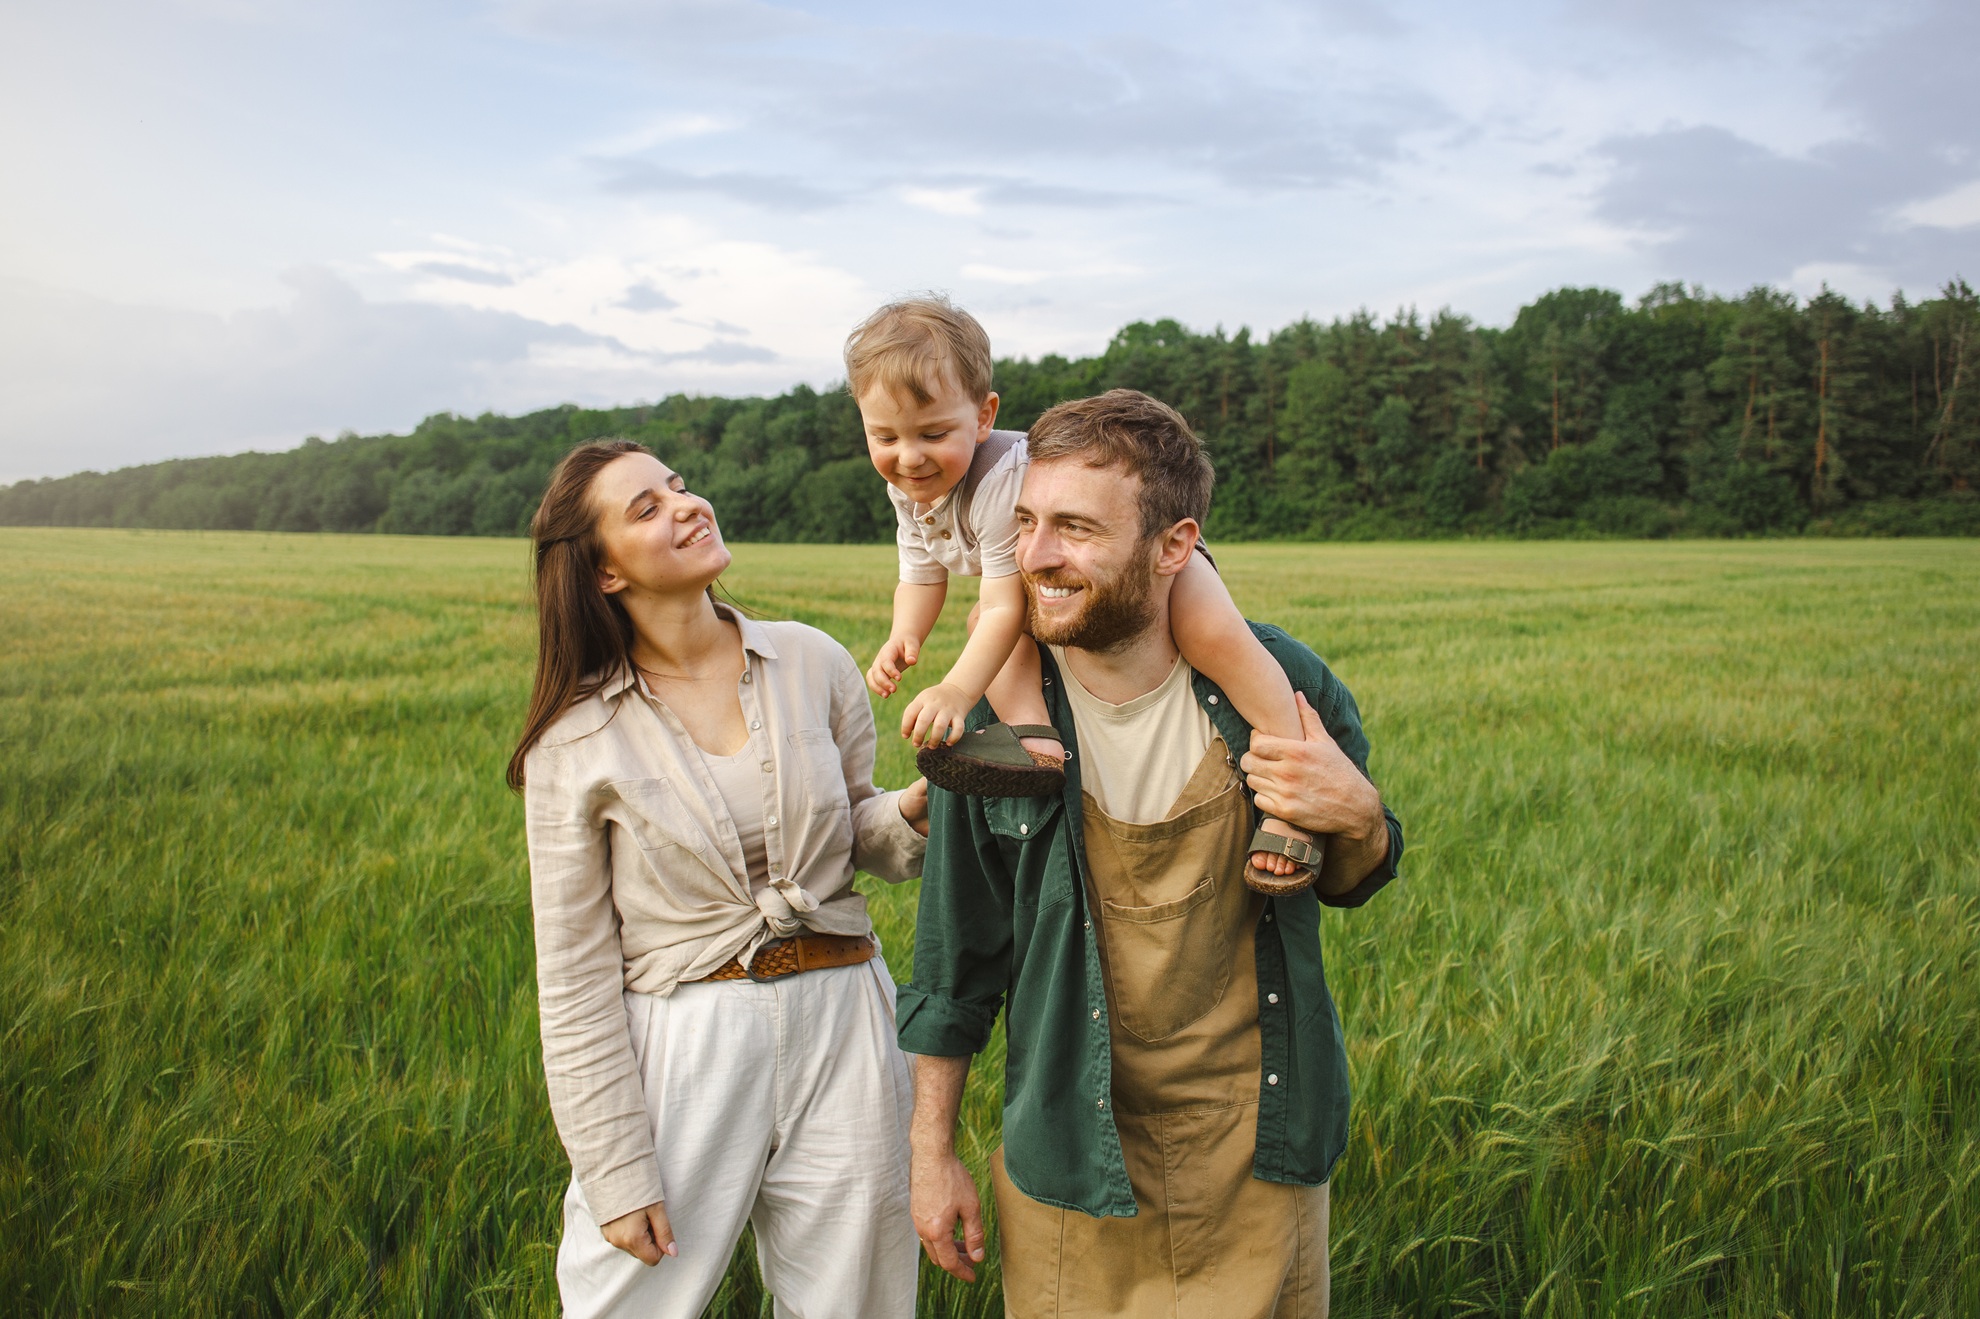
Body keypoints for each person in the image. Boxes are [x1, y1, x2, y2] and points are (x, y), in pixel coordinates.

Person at [896, 391, 1405, 1318]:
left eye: (1077, 528)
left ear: (1176, 545)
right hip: (1068, 1158)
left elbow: (1357, 869)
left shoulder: (1278, 684)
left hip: (1259, 1148)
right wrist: (930, 1157)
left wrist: (1360, 815)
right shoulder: (995, 731)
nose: (1036, 557)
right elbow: (953, 959)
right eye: (1026, 523)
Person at [509, 440, 928, 1319]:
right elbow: (575, 970)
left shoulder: (812, 661)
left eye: (680, 485)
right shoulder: (575, 739)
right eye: (646, 509)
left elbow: (854, 835)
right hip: (685, 1045)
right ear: (605, 575)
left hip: (846, 1013)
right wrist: (614, 1163)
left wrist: (917, 812)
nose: (686, 505)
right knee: (628, 1304)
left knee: (857, 1304)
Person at [848, 295, 1325, 894]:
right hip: (1049, 570)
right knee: (981, 623)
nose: (908, 456)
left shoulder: (996, 483)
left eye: (933, 433)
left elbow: (1004, 606)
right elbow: (920, 572)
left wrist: (955, 689)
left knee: (1217, 639)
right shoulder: (910, 483)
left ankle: (1293, 790)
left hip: (1151, 558)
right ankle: (1036, 740)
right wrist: (905, 635)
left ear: (985, 416)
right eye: (883, 436)